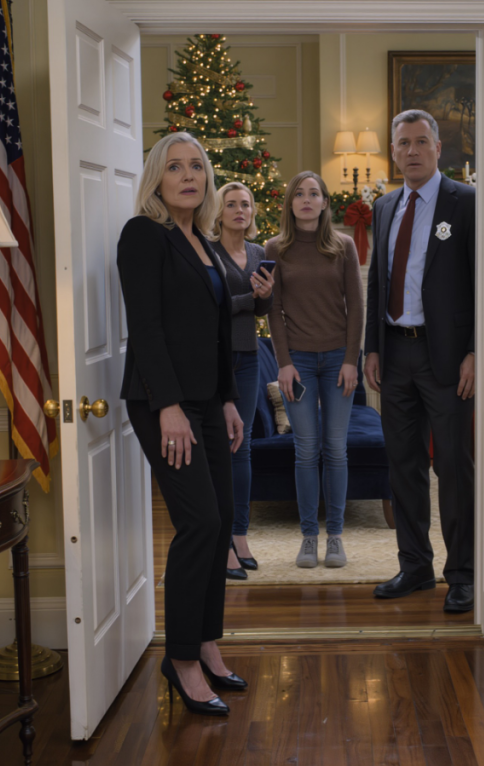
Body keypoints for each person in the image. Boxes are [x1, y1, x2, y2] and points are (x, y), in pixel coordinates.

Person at [117, 132, 247, 716]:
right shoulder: (144, 235)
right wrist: (168, 403)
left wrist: (225, 399)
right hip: (161, 403)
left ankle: (209, 645)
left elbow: (216, 335)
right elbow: (144, 326)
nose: (188, 175)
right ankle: (182, 659)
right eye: (175, 167)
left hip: (208, 404)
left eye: (197, 166)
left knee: (220, 531)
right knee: (200, 524)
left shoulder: (207, 243)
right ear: (157, 179)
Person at [364, 109, 476, 613]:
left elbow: (481, 282)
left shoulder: (467, 202)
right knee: (402, 465)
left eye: (421, 141)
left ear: (438, 148)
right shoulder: (385, 207)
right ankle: (414, 566)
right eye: (403, 143)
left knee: (453, 464)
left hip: (447, 357)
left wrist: (475, 350)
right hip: (395, 352)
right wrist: (371, 347)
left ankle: (463, 573)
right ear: (393, 151)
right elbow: (376, 284)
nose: (412, 151)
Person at [266, 170, 364, 568]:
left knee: (336, 449)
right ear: (290, 203)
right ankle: (309, 537)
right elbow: (273, 311)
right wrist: (284, 364)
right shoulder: (275, 248)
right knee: (306, 450)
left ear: (325, 202)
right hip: (300, 364)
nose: (306, 200)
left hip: (338, 358)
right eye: (299, 194)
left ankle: (335, 536)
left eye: (314, 194)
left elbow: (356, 307)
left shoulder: (342, 246)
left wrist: (351, 361)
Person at [210, 182, 275, 580]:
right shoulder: (207, 251)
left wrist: (265, 295)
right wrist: (250, 301)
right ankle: (221, 545)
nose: (239, 210)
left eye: (245, 204)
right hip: (215, 359)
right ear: (218, 212)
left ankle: (240, 534)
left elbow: (263, 308)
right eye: (231, 204)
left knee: (242, 445)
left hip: (248, 357)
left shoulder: (258, 253)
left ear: (252, 213)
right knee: (219, 445)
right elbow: (208, 308)